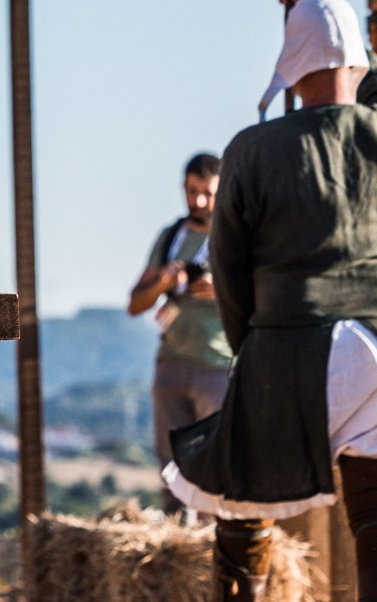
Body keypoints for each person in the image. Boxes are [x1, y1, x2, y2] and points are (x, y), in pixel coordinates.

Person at [169, 0, 377, 602]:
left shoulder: (251, 149)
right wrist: (319, 11)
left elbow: (227, 267)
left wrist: (249, 351)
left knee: (240, 506)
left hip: (287, 347)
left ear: (289, 67)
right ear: (358, 62)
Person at [132, 151, 234, 501]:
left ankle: (213, 544)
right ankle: (176, 541)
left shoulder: (235, 235)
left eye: (207, 192)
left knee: (215, 467)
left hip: (218, 366)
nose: (200, 201)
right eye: (192, 192)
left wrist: (221, 290)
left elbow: (263, 295)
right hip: (172, 363)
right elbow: (135, 303)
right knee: (170, 471)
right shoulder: (170, 237)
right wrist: (163, 282)